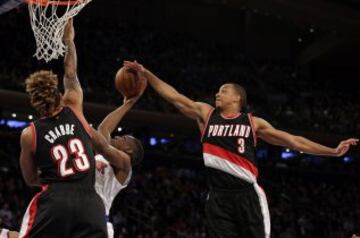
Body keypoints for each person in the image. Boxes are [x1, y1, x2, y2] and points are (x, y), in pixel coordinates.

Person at [124, 60, 359, 238]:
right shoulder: (206, 115)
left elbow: (294, 141)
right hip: (217, 197)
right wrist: (147, 74)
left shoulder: (253, 123)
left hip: (248, 195)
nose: (217, 93)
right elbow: (175, 97)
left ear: (237, 98)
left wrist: (333, 151)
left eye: (223, 90)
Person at [18, 19, 111, 238]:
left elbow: (30, 178)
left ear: (35, 103)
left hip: (56, 201)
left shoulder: (29, 133)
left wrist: (59, 179)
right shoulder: (73, 106)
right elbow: (70, 73)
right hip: (91, 203)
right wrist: (69, 40)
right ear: (60, 95)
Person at [94, 95, 145, 238]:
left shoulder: (125, 164)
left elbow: (102, 137)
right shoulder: (102, 155)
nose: (117, 136)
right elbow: (103, 128)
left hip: (97, 221)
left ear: (129, 150)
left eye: (123, 138)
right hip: (78, 211)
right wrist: (127, 105)